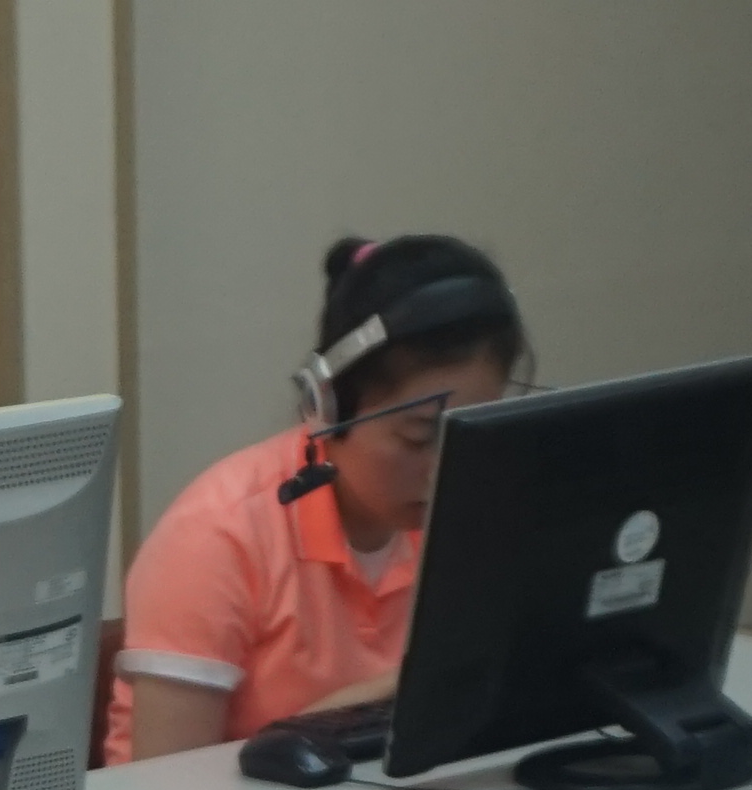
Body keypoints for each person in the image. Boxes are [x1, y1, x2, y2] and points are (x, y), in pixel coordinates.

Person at [105, 235, 530, 763]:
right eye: (419, 436)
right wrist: (393, 692)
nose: (445, 467)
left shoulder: (469, 514)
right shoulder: (217, 536)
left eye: (469, 431)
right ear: (327, 407)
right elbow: (167, 784)